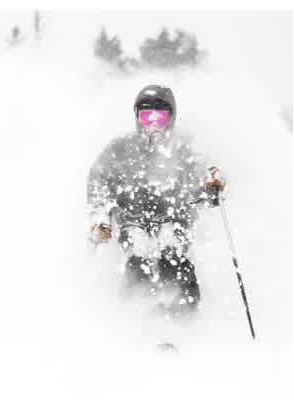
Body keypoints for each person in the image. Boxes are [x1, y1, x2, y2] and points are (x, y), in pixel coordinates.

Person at [87, 84, 226, 314]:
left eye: (160, 117)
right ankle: (137, 321)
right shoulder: (121, 149)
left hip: (174, 221)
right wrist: (101, 218)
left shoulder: (184, 149)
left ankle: (184, 322)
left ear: (171, 119)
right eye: (145, 117)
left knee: (173, 260)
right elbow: (98, 180)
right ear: (136, 118)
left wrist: (213, 184)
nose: (152, 125)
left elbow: (207, 170)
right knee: (138, 262)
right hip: (133, 222)